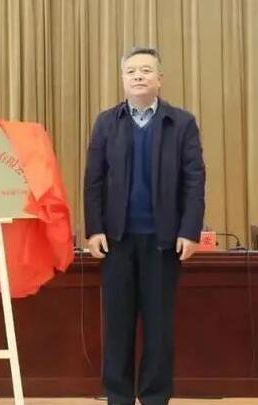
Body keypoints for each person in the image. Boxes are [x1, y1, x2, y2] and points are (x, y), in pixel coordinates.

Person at [84, 47, 205, 405]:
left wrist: (189, 230)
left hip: (163, 241)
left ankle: (154, 397)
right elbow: (93, 180)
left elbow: (194, 180)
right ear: (123, 79)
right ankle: (118, 397)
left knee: (158, 327)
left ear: (159, 78)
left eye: (146, 70)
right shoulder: (107, 122)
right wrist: (94, 229)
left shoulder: (181, 123)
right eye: (131, 71)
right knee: (118, 326)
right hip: (117, 240)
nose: (138, 76)